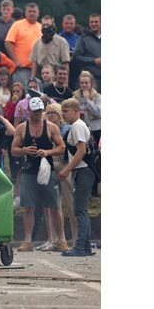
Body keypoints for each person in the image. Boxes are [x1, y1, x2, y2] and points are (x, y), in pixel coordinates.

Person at [11, 97, 69, 252]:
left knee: (54, 206)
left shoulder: (50, 127)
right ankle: (28, 240)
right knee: (28, 207)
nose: (37, 114)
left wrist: (48, 152)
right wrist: (24, 150)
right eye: (34, 111)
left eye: (39, 111)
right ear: (28, 111)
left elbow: (62, 147)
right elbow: (14, 150)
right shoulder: (22, 128)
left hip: (47, 170)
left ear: (41, 111)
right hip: (29, 170)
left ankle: (61, 240)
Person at [59, 98, 97, 257]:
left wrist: (67, 169)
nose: (63, 115)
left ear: (76, 111)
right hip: (84, 171)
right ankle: (85, 247)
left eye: (65, 111)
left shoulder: (77, 126)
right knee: (82, 210)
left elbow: (81, 151)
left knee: (79, 210)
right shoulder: (79, 125)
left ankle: (80, 247)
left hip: (83, 171)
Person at [44, 103, 77, 248]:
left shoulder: (67, 129)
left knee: (71, 204)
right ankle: (54, 239)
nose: (50, 115)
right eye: (48, 112)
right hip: (50, 166)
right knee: (51, 205)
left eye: (53, 112)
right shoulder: (44, 129)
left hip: (65, 164)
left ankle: (77, 240)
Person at [4, 2, 42, 86]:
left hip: (38, 69)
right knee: (22, 92)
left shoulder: (41, 27)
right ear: (25, 13)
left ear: (38, 13)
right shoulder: (17, 25)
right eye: (29, 11)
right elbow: (8, 43)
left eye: (34, 11)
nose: (32, 13)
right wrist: (15, 61)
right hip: (22, 68)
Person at [30, 15, 71, 79]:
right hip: (42, 75)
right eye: (44, 25)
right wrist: (32, 78)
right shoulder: (37, 43)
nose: (46, 27)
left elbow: (65, 63)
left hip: (57, 75)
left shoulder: (62, 42)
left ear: (53, 25)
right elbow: (35, 63)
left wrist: (65, 81)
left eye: (48, 25)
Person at [73, 14, 101, 92]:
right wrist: (94, 61)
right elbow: (76, 56)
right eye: (91, 22)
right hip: (91, 79)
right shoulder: (83, 38)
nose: (94, 24)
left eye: (96, 22)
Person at [72, 71, 101, 144]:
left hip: (95, 130)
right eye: (82, 83)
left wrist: (87, 99)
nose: (84, 85)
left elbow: (97, 113)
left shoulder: (97, 97)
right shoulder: (75, 96)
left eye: (86, 83)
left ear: (91, 83)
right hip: (81, 129)